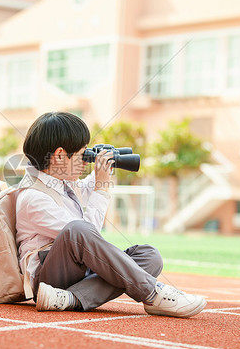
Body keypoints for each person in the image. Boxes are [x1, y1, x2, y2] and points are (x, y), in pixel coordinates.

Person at [15, 111, 206, 317]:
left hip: (74, 276)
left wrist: (103, 169)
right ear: (60, 155)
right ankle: (151, 293)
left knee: (149, 257)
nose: (85, 161)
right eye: (82, 154)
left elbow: (86, 189)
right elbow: (87, 235)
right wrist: (102, 189)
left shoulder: (62, 183)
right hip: (49, 278)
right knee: (78, 229)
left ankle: (71, 298)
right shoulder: (34, 197)